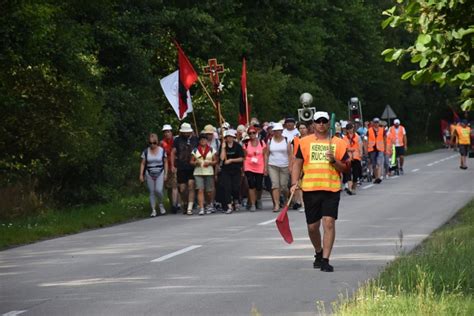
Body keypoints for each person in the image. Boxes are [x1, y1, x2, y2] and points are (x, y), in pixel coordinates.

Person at [290, 111, 350, 272]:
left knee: (329, 223)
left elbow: (346, 167)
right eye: (318, 121)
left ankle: (325, 259)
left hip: (331, 188)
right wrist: (294, 183)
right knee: (312, 227)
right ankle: (318, 251)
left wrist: (334, 161)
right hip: (310, 188)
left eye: (324, 121)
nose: (321, 124)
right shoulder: (304, 142)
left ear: (328, 123)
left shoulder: (338, 143)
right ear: (314, 124)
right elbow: (297, 164)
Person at [172, 122, 198, 215]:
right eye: (185, 132)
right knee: (182, 189)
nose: (187, 134)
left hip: (192, 167)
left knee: (191, 185)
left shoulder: (195, 139)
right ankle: (185, 203)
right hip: (181, 166)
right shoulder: (177, 140)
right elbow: (173, 152)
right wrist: (172, 165)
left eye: (188, 132)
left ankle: (190, 207)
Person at [140, 133, 168, 217]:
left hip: (160, 172)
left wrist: (166, 173)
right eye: (150, 143)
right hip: (149, 173)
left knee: (158, 190)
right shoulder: (145, 151)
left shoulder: (162, 150)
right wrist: (141, 174)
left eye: (154, 143)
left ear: (157, 142)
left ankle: (160, 204)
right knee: (152, 192)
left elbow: (165, 162)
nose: (152, 145)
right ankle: (153, 210)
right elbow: (142, 163)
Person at [265, 122, 291, 212]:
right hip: (272, 165)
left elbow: (290, 154)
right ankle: (276, 204)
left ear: (281, 131)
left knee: (283, 186)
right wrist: (265, 167)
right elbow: (267, 154)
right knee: (275, 185)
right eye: (275, 131)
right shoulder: (270, 140)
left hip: (284, 165)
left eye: (278, 131)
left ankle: (287, 200)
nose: (276, 133)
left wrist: (291, 166)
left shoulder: (286, 140)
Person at [191, 134, 218, 215]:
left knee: (209, 191)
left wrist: (210, 162)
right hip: (198, 172)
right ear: (199, 141)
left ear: (207, 141)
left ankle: (209, 204)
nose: (203, 141)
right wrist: (196, 162)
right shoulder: (195, 150)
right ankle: (202, 207)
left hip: (208, 172)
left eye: (204, 140)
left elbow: (216, 161)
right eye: (201, 140)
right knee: (200, 190)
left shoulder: (211, 150)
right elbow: (191, 161)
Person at [219, 129, 245, 214]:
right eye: (228, 137)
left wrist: (231, 160)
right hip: (226, 170)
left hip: (236, 169)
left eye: (231, 137)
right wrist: (223, 148)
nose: (229, 139)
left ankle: (236, 200)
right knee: (227, 187)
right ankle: (229, 205)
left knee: (235, 187)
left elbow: (241, 158)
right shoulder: (223, 146)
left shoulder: (237, 146)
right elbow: (222, 158)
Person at [243, 126, 267, 211]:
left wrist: (265, 167)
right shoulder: (246, 144)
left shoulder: (261, 142)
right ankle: (253, 204)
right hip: (249, 166)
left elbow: (265, 155)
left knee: (259, 186)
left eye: (253, 132)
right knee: (251, 185)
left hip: (260, 166)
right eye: (250, 133)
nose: (252, 134)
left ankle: (258, 199)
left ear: (256, 133)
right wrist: (243, 168)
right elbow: (244, 157)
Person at [160, 124, 179, 213]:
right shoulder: (161, 143)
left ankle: (175, 204)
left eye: (168, 132)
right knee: (168, 187)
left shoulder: (175, 140)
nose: (166, 134)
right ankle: (172, 203)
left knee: (175, 185)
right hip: (165, 166)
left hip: (175, 165)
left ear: (171, 132)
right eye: (165, 132)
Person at [290, 121, 309, 211]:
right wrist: (292, 165)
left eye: (304, 128)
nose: (302, 130)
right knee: (298, 184)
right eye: (300, 128)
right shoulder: (295, 139)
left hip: (307, 164)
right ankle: (302, 203)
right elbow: (293, 153)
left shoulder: (310, 139)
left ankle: (306, 202)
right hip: (298, 163)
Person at [343, 123, 362, 195]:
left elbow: (360, 146)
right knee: (348, 173)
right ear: (347, 130)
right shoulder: (344, 138)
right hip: (348, 157)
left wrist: (361, 154)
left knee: (355, 174)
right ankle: (350, 189)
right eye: (348, 129)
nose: (350, 130)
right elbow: (343, 147)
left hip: (356, 157)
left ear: (353, 129)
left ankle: (354, 188)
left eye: (351, 128)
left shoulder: (357, 137)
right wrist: (349, 150)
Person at [366, 117, 385, 184]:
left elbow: (384, 139)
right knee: (374, 165)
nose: (376, 124)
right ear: (373, 123)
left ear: (379, 123)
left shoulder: (382, 130)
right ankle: (376, 177)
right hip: (372, 149)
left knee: (379, 163)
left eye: (377, 122)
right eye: (375, 122)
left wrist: (385, 147)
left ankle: (379, 177)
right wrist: (366, 149)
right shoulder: (369, 130)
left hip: (380, 148)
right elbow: (367, 140)